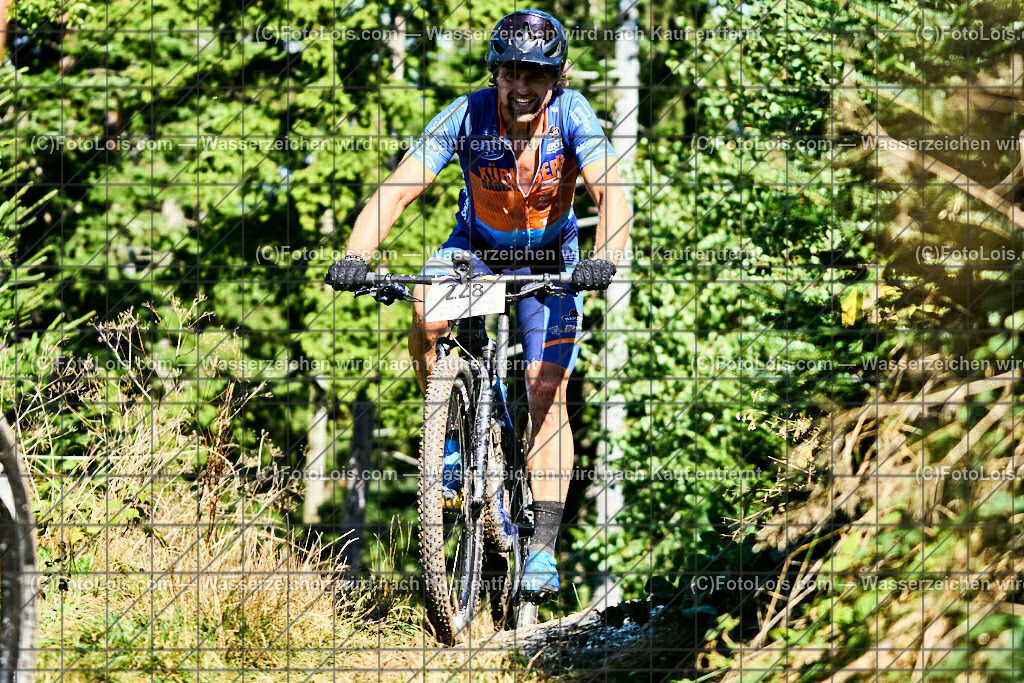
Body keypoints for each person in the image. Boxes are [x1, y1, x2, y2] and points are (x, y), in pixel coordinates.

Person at [326, 9, 631, 603]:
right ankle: (445, 432)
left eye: (536, 75)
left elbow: (610, 192)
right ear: (495, 72)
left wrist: (606, 257)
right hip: (478, 252)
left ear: (558, 76)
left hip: (553, 261)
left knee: (546, 390)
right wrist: (356, 256)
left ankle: (541, 544)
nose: (521, 87)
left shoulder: (573, 116)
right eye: (510, 72)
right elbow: (399, 189)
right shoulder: (465, 116)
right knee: (425, 304)